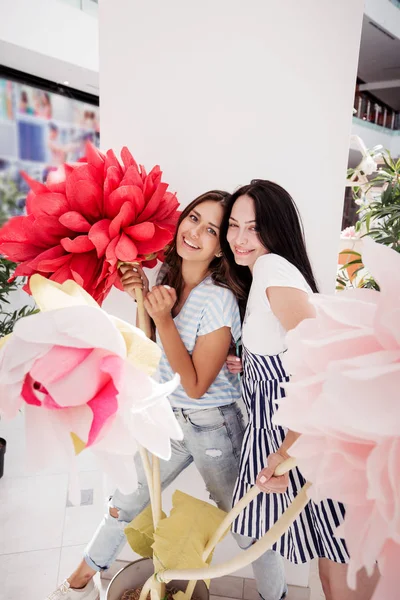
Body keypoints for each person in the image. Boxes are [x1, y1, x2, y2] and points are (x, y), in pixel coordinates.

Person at [46, 191, 246, 600]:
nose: (196, 232)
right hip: (168, 417)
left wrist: (161, 317)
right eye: (193, 218)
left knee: (244, 523)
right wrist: (142, 299)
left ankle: (273, 594)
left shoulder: (221, 298)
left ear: (221, 247)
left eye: (211, 230)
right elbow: (151, 353)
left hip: (213, 427)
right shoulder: (168, 279)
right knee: (126, 498)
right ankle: (83, 575)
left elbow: (195, 385)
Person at [222, 180, 380, 600]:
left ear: (276, 229)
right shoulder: (263, 276)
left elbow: (324, 363)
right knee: (331, 569)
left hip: (310, 444)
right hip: (303, 444)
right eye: (233, 226)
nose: (239, 238)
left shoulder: (272, 269)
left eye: (252, 228)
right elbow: (287, 354)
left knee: (341, 571)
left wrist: (289, 449)